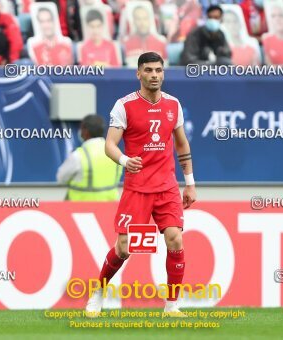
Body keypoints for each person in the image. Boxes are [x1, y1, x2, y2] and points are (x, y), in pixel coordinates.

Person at [85, 52, 197, 317]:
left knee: (175, 239)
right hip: (137, 187)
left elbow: (181, 143)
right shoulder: (124, 106)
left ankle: (172, 305)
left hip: (166, 186)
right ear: (138, 74)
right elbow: (109, 145)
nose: (154, 75)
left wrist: (190, 183)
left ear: (163, 73)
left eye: (159, 70)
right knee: (124, 248)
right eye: (148, 70)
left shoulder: (173, 105)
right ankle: (98, 291)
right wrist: (125, 160)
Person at [56, 115, 122, 201]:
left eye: (81, 128)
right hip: (110, 209)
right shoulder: (115, 152)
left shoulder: (78, 156)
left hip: (81, 210)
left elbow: (61, 178)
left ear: (86, 131)